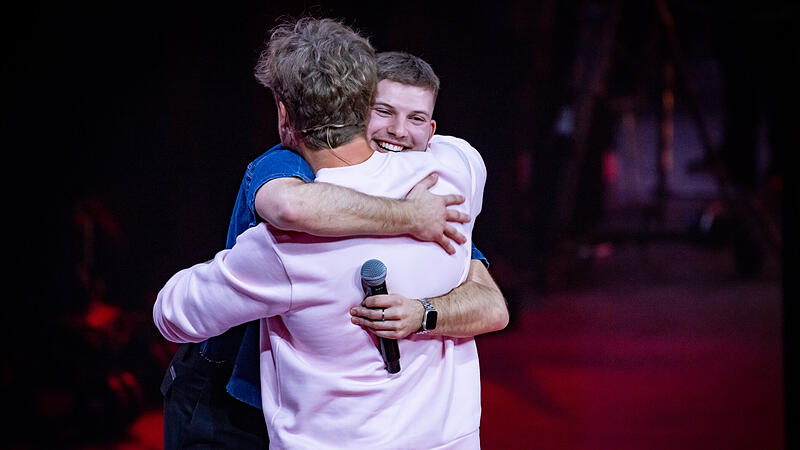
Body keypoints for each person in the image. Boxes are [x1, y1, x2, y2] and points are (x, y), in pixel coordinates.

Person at [155, 16, 489, 449]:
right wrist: (408, 216)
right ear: (366, 103)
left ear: (283, 111)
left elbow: (173, 313)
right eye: (386, 111)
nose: (400, 130)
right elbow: (290, 202)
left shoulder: (285, 247)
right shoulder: (455, 174)